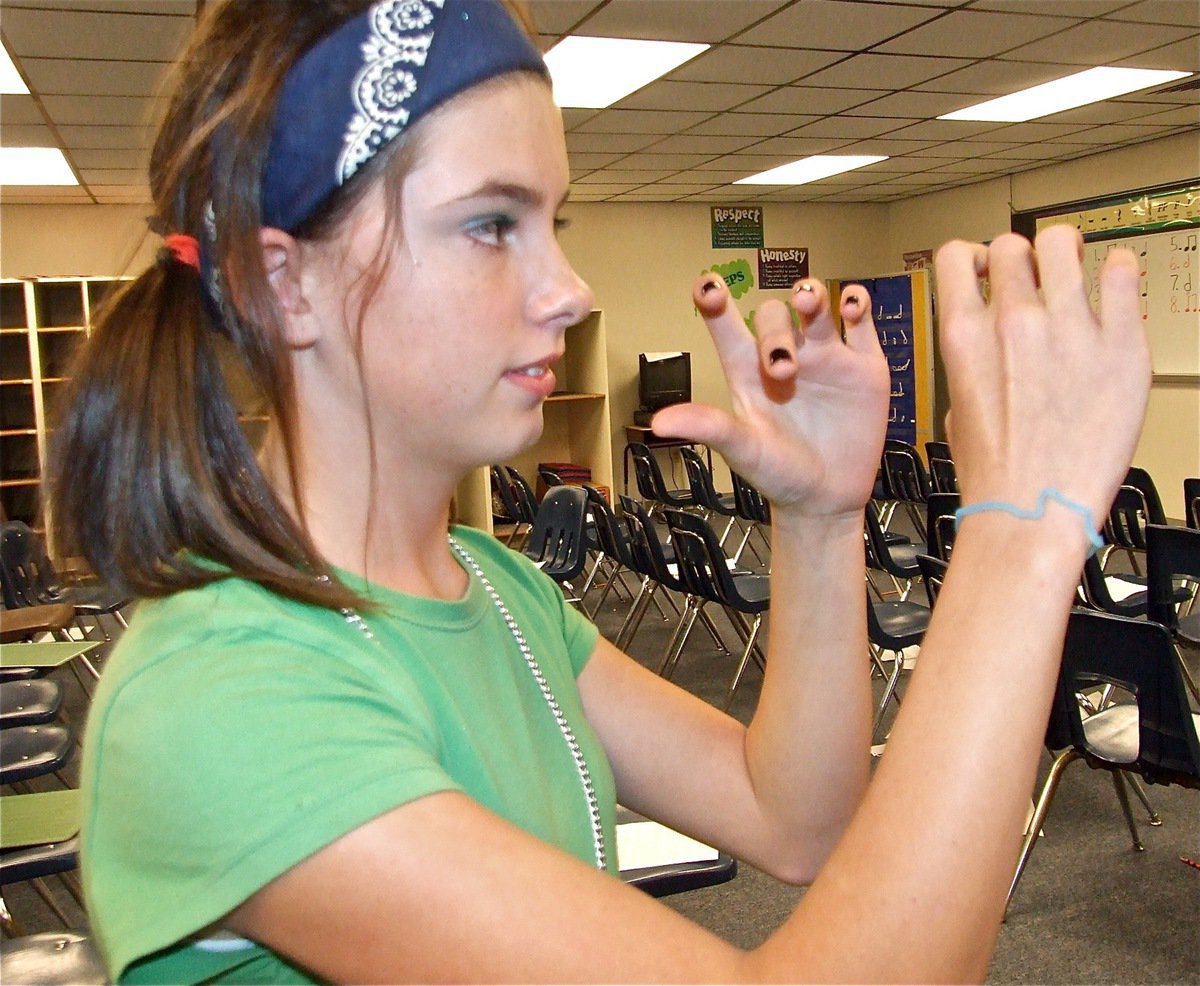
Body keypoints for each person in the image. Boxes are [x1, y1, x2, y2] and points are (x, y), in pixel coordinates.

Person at [49, 0, 1150, 982]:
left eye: (555, 224)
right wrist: (1022, 534)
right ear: (282, 282)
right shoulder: (228, 695)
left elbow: (794, 815)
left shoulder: (497, 587)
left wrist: (818, 517)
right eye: (491, 224)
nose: (569, 290)